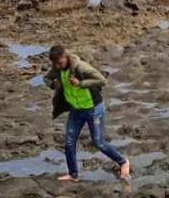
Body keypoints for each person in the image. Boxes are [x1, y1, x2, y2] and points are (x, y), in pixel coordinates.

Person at [43, 46, 130, 182]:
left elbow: (102, 80)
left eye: (60, 62)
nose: (58, 66)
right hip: (76, 110)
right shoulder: (57, 69)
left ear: (66, 56)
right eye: (55, 64)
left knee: (99, 142)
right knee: (69, 142)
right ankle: (73, 175)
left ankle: (123, 161)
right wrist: (54, 85)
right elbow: (46, 78)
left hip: (93, 109)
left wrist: (81, 83)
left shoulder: (80, 67)